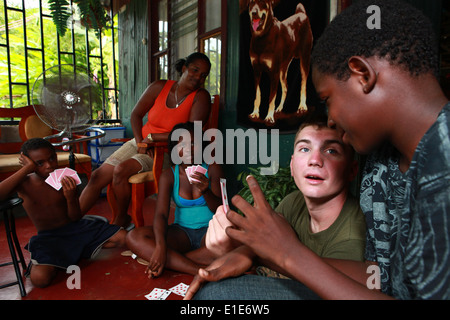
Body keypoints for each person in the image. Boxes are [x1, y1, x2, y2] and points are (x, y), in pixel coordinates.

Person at [187, 0, 450, 300]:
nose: (331, 119)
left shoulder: (442, 171)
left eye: (328, 100)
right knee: (216, 291)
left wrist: (287, 255)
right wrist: (262, 253)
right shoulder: (380, 162)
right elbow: (378, 276)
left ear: (362, 75)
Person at [185, 116, 366, 299]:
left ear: (351, 170)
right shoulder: (293, 201)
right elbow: (263, 245)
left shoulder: (351, 235)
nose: (315, 160)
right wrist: (242, 250)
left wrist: (250, 254)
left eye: (331, 151)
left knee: (217, 293)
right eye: (305, 149)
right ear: (292, 165)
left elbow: (327, 287)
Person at [79, 52, 212, 228]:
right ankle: (69, 222)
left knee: (120, 171)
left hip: (167, 150)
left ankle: (120, 220)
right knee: (97, 176)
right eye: (195, 70)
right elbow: (136, 114)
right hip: (141, 142)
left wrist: (153, 138)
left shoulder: (200, 97)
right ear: (185, 68)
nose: (198, 77)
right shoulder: (160, 87)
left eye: (203, 75)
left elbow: (191, 134)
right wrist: (141, 140)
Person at [0, 138, 126, 288]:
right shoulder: (24, 183)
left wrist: (70, 197)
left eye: (52, 158)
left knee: (123, 237)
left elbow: (75, 217)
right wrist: (27, 169)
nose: (49, 166)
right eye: (39, 163)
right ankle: (69, 255)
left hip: (75, 228)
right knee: (40, 279)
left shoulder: (66, 178)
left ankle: (72, 254)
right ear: (30, 164)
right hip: (49, 237)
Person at [125, 122, 225, 278]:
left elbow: (221, 209)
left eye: (193, 143)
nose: (188, 149)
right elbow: (161, 215)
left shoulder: (213, 168)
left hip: (210, 232)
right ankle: (200, 270)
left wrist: (206, 191)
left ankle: (175, 262)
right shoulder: (169, 175)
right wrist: (160, 246)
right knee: (133, 237)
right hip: (181, 234)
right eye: (181, 145)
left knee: (227, 240)